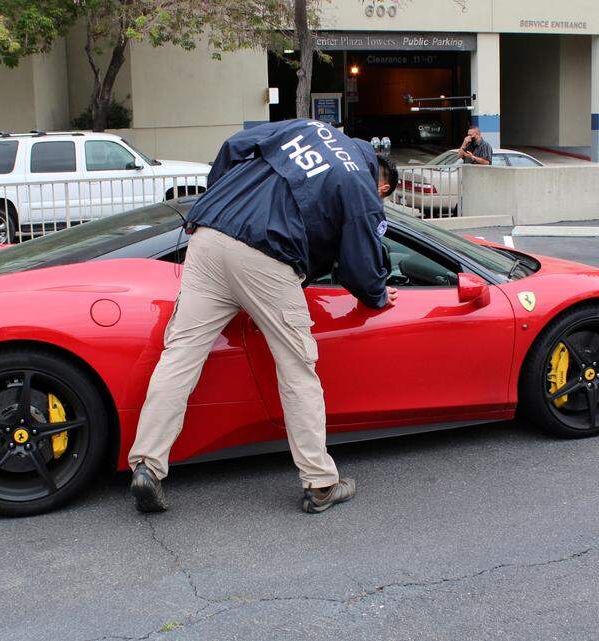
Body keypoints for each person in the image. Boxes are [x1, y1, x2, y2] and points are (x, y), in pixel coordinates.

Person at [128, 119, 399, 515]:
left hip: (208, 234)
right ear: (382, 181)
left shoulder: (307, 128)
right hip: (268, 255)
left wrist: (222, 197)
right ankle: (320, 482)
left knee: (180, 356)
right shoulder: (359, 180)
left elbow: (234, 146)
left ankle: (147, 466)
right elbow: (359, 264)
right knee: (297, 368)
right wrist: (376, 295)